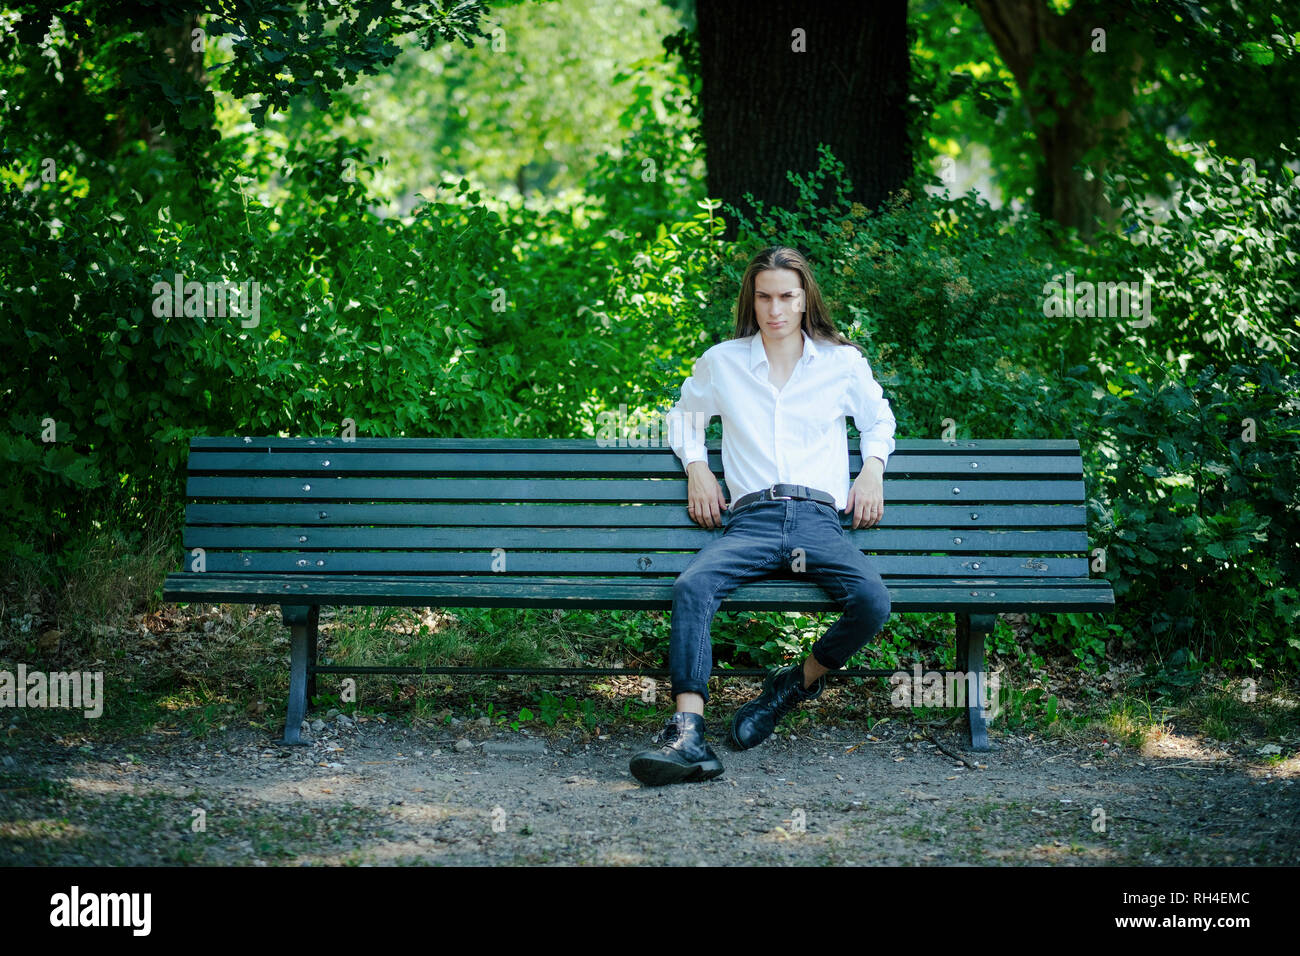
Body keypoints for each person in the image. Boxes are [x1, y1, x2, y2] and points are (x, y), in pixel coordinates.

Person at [628, 245, 896, 787]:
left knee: (872, 601)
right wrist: (698, 469)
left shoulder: (841, 362)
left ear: (805, 300)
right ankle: (688, 734)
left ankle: (792, 685)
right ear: (752, 300)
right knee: (692, 587)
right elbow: (685, 420)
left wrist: (872, 470)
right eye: (765, 296)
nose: (775, 309)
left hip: (819, 519)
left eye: (787, 297)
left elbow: (878, 420)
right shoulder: (723, 361)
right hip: (750, 520)